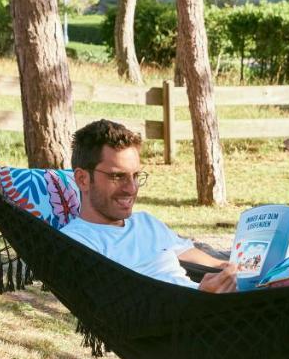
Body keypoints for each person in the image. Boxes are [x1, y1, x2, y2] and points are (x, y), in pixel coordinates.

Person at [61, 120, 239, 293]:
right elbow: (123, 308)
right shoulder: (77, 243)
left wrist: (232, 270)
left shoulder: (146, 222)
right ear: (82, 179)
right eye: (117, 176)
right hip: (185, 314)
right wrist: (202, 298)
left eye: (135, 176)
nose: (131, 188)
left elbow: (193, 255)